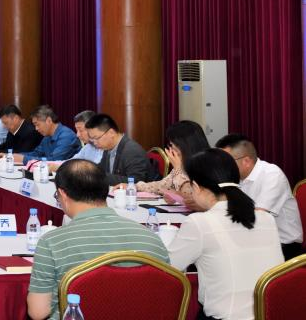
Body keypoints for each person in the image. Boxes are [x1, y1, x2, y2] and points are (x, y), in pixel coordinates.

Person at [26, 159, 168, 320]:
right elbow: (165, 299)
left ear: (63, 194)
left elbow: (38, 312)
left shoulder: (51, 242)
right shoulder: (151, 238)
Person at [167, 148, 283, 320]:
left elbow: (169, 268)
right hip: (271, 314)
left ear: (196, 187)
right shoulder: (267, 218)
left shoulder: (199, 223)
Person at [216, 134, 303, 259]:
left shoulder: (272, 174)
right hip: (253, 241)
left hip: (284, 246)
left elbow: (257, 217)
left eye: (226, 162)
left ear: (246, 161)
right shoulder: (235, 178)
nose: (222, 167)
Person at [128, 121, 209, 205]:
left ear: (184, 145)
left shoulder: (208, 164)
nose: (171, 150)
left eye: (172, 145)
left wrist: (178, 169)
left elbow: (191, 196)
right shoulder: (183, 163)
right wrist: (135, 186)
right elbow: (162, 185)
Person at [85, 113, 159, 184]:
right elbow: (101, 170)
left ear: (111, 133)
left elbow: (136, 181)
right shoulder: (107, 147)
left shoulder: (132, 151)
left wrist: (100, 176)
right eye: (92, 139)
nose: (95, 143)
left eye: (96, 138)